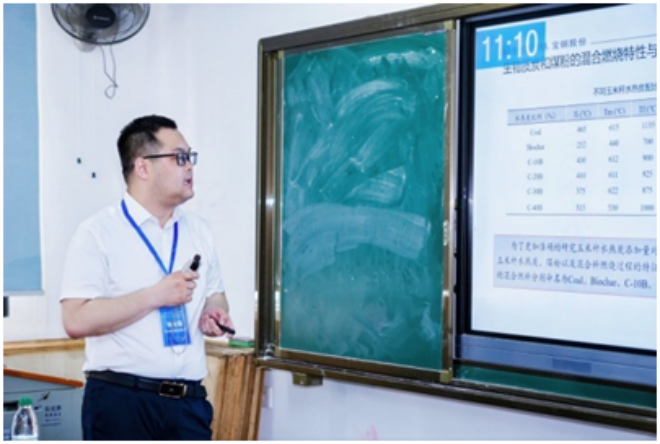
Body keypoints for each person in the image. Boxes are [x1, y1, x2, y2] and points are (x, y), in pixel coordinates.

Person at [60, 114, 234, 441]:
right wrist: (155, 296)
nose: (189, 166)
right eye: (179, 158)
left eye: (190, 157)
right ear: (143, 167)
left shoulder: (199, 230)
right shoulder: (97, 232)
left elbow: (215, 293)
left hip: (188, 404)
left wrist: (214, 311)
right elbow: (75, 319)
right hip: (122, 403)